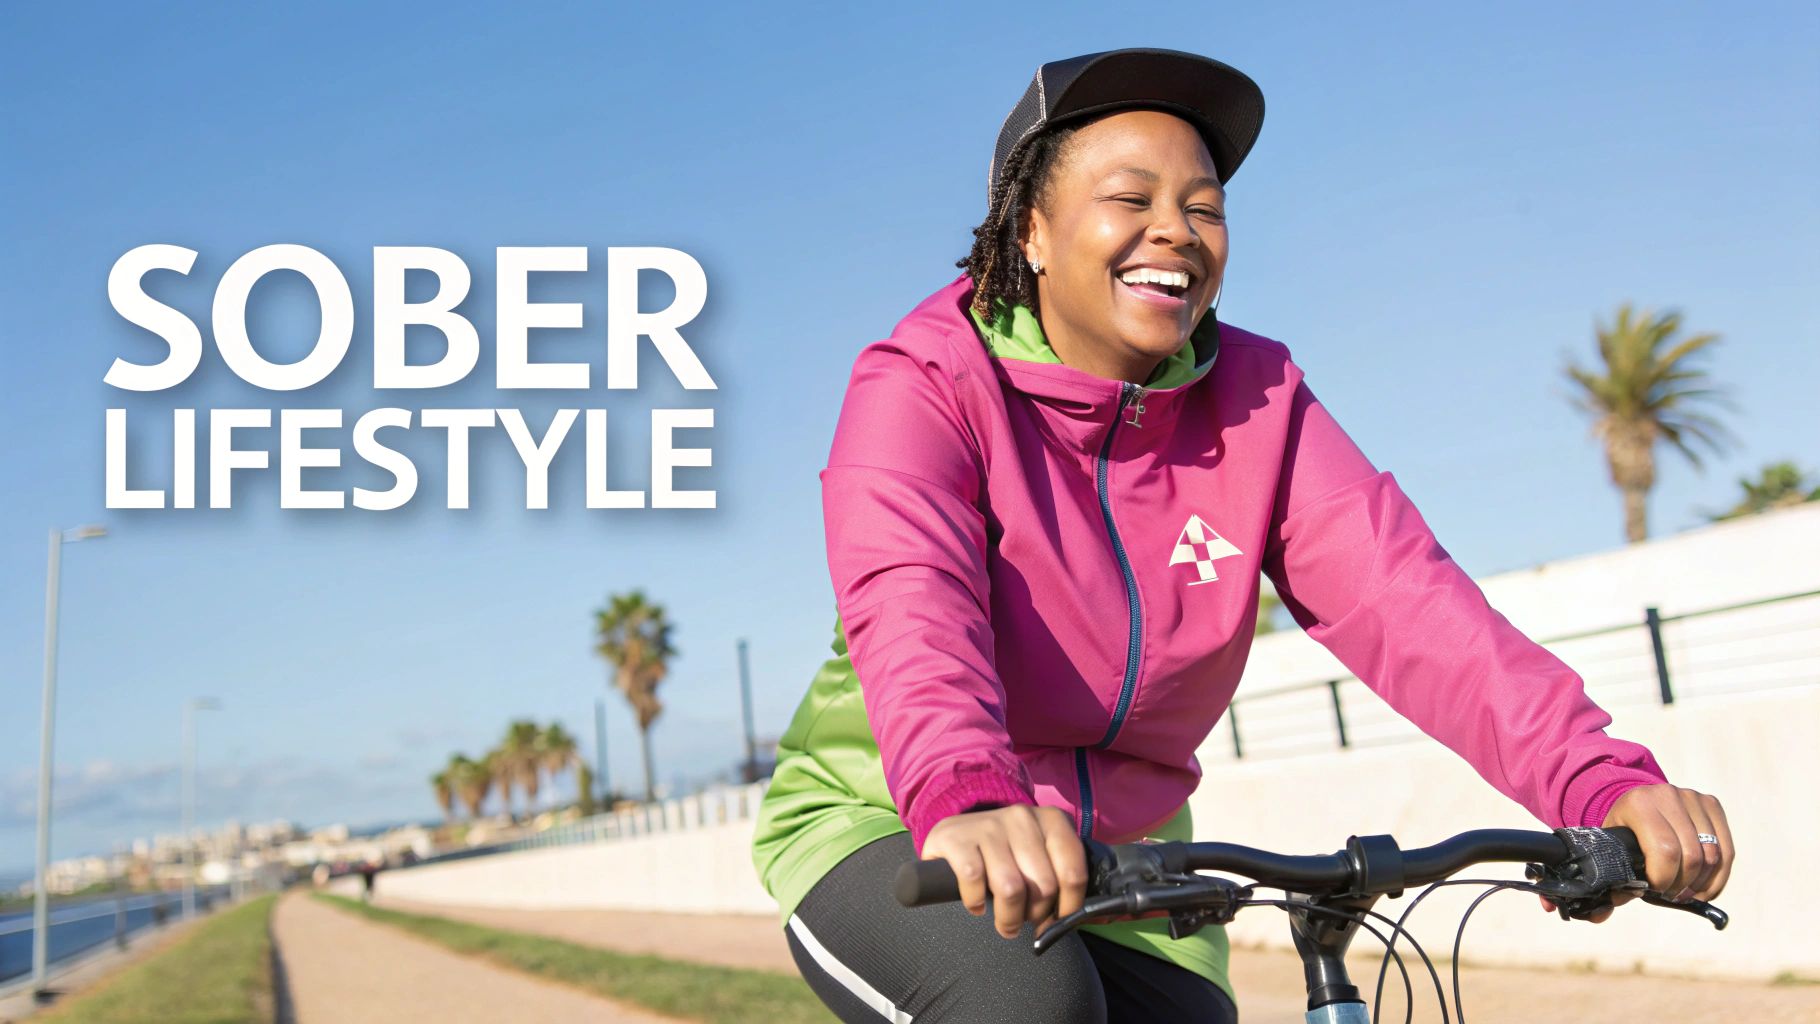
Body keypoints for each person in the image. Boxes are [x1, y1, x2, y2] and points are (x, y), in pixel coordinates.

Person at [751, 48, 1734, 1024]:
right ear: (1032, 231)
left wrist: (1598, 781)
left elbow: (1410, 604)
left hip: (1126, 862)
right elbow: (910, 601)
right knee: (1027, 1004)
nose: (1173, 232)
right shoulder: (925, 379)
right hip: (902, 821)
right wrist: (968, 794)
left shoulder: (1256, 402)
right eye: (1128, 200)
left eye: (1203, 208)